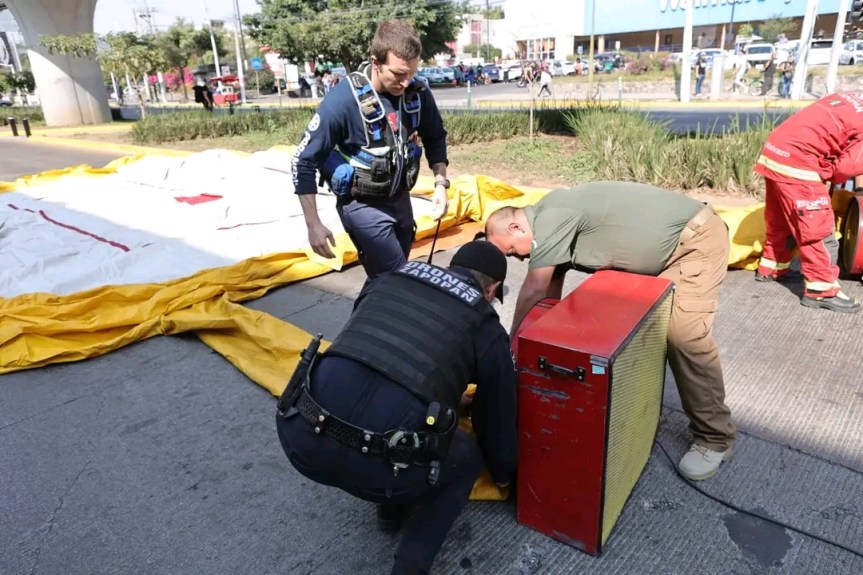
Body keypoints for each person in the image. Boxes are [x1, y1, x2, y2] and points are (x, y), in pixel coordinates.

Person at [275, 241, 518, 575]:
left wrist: (446, 395)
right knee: (465, 458)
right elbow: (495, 417)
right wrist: (504, 472)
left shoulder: (387, 278)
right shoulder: (485, 323)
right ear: (491, 289)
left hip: (299, 433)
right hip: (375, 468)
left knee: (384, 414)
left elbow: (375, 357)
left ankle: (390, 512)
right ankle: (409, 566)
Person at [485, 182, 736, 481]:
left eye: (512, 250)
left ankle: (715, 439)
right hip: (671, 247)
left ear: (515, 226)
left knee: (684, 337)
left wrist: (511, 346)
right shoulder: (549, 217)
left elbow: (535, 287)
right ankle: (639, 411)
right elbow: (547, 301)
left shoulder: (551, 219)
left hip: (694, 245)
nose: (518, 258)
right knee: (645, 333)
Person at [292, 20, 450, 285]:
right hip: (363, 207)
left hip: (400, 201)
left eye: (412, 72)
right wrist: (313, 224)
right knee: (397, 282)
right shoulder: (343, 101)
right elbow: (303, 161)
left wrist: (441, 184)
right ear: (375, 63)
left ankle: (362, 324)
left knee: (383, 284)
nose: (406, 81)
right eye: (399, 74)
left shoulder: (417, 93)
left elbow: (435, 139)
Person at [753, 91, 863, 313]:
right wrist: (828, 172)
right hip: (800, 162)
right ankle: (821, 290)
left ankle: (772, 267)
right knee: (817, 227)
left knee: (781, 219)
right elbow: (845, 169)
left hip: (775, 151)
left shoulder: (851, 97)